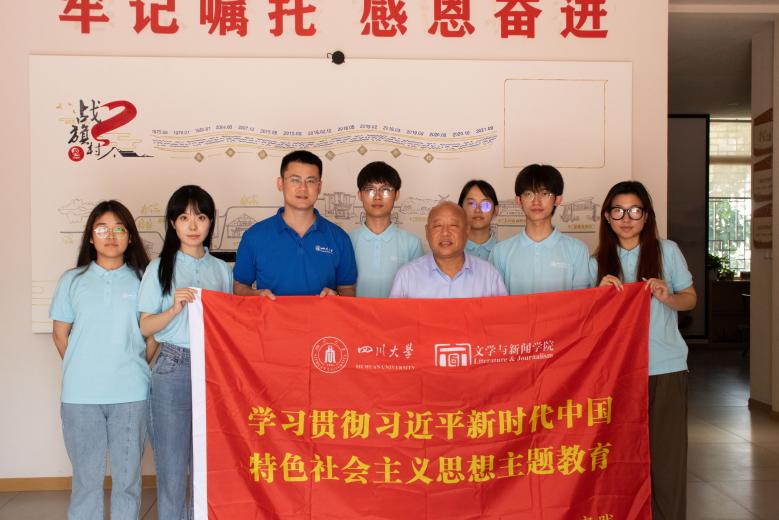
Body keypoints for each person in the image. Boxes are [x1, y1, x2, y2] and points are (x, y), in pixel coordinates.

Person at [591, 180, 696, 520]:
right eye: (618, 211)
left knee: (666, 462)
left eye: (635, 211)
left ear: (646, 216)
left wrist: (668, 297)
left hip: (664, 369)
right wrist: (597, 295)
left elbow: (690, 298)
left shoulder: (667, 251)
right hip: (617, 375)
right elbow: (587, 322)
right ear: (607, 217)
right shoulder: (597, 261)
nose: (626, 218)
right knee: (621, 460)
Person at [49, 200, 152, 520]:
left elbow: (153, 336)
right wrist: (83, 366)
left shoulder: (144, 279)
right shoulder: (72, 280)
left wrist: (136, 367)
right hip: (80, 397)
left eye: (119, 228)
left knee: (127, 481)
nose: (111, 235)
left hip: (131, 394)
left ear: (130, 237)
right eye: (102, 228)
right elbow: (60, 333)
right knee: (86, 482)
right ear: (90, 237)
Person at [138, 185, 232, 520]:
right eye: (184, 217)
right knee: (172, 466)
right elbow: (145, 326)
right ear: (173, 223)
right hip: (173, 365)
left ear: (211, 223)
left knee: (208, 464)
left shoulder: (221, 270)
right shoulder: (159, 268)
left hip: (213, 369)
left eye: (201, 217)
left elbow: (231, 323)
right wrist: (174, 310)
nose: (193, 225)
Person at [233, 150, 357, 298]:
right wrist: (256, 295)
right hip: (270, 314)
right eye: (295, 180)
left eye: (310, 181)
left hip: (324, 315)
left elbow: (348, 288)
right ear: (280, 183)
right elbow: (240, 286)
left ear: (319, 187)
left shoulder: (339, 238)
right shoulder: (254, 236)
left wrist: (336, 297)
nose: (303, 188)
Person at [489, 164, 590, 294]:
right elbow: (496, 303)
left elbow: (581, 301)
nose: (536, 201)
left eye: (544, 194)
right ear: (518, 200)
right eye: (528, 194)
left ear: (558, 199)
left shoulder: (577, 250)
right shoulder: (500, 252)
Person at [390, 201, 507, 298]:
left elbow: (502, 318)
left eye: (453, 225)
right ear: (427, 232)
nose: (445, 233)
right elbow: (395, 319)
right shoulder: (406, 277)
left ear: (467, 231)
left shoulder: (489, 276)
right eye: (437, 226)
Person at [350, 161, 423, 297]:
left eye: (385, 190)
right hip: (355, 312)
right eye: (370, 190)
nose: (377, 197)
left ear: (397, 194)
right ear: (360, 195)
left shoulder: (412, 243)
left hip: (397, 312)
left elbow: (417, 292)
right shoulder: (346, 241)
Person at [458, 179, 499, 260]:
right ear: (460, 209)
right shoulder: (452, 251)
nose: (477, 210)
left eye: (485, 204)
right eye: (471, 203)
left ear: (495, 210)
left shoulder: (505, 251)